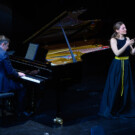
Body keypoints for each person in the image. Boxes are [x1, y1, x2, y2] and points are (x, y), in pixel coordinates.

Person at [99, 21, 135, 118]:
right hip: (117, 65)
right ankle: (114, 108)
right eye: (123, 28)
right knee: (116, 86)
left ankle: (125, 107)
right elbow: (117, 53)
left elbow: (132, 53)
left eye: (125, 27)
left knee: (126, 86)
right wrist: (127, 44)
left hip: (126, 64)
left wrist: (131, 45)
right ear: (117, 30)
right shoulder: (113, 40)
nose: (125, 29)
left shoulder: (127, 38)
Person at [0, 35, 27, 117]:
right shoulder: (3, 53)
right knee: (22, 87)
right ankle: (19, 111)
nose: (8, 48)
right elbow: (10, 72)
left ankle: (4, 110)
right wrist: (18, 73)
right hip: (2, 84)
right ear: (3, 44)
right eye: (7, 45)